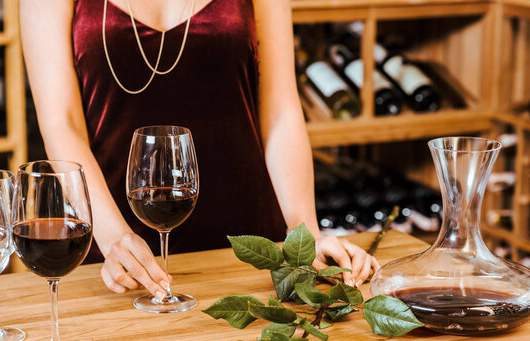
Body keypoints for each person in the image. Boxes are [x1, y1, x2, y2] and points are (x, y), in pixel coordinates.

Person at [20, 0, 381, 299]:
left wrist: (305, 234)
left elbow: (282, 112)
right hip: (115, 254)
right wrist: (114, 238)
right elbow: (61, 123)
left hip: (249, 253)